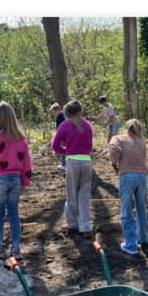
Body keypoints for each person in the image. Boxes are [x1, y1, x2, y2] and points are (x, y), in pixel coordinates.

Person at [0, 102, 31, 258]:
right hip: (15, 179)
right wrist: (24, 181)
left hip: (0, 180)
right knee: (14, 213)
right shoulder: (21, 139)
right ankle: (15, 249)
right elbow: (26, 162)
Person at [107, 118, 148, 255]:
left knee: (126, 209)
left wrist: (115, 166)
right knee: (141, 208)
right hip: (142, 177)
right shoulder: (141, 142)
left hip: (127, 177)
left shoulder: (118, 138)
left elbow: (112, 152)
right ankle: (143, 239)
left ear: (126, 128)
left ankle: (131, 244)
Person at [51, 99, 94, 238]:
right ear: (80, 111)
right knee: (84, 194)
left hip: (72, 163)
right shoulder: (87, 125)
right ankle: (85, 226)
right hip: (86, 162)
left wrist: (66, 151)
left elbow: (55, 146)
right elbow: (90, 146)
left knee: (71, 194)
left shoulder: (64, 125)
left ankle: (72, 224)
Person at [49, 102, 66, 171]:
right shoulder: (64, 115)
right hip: (65, 136)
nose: (54, 115)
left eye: (54, 113)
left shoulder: (60, 117)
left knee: (63, 150)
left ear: (57, 110)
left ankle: (64, 165)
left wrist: (57, 135)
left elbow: (60, 128)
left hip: (63, 137)